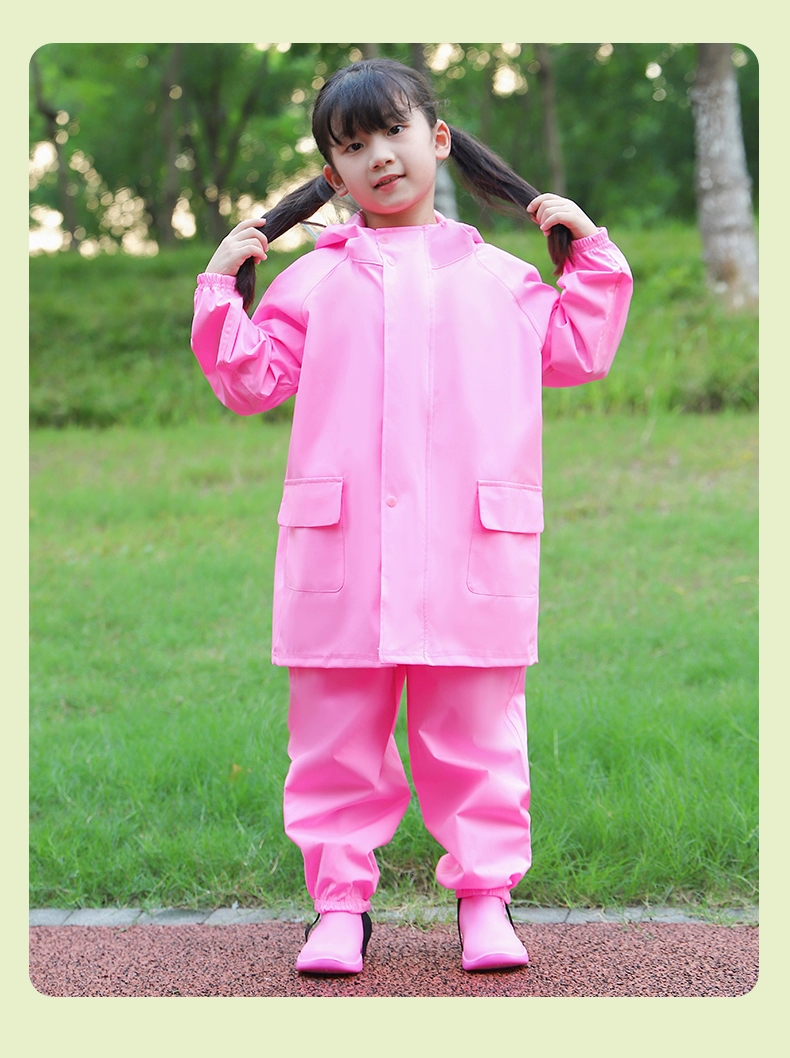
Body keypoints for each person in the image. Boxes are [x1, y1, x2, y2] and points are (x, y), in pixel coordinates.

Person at [191, 58, 632, 976]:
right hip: (344, 554)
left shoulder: (503, 279)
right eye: (352, 147)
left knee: (476, 735)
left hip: (468, 549)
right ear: (333, 176)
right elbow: (250, 381)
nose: (379, 157)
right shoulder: (311, 282)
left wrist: (588, 251)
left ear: (437, 138)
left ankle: (485, 898)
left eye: (393, 132)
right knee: (333, 740)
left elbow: (578, 350)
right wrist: (220, 285)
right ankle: (339, 908)